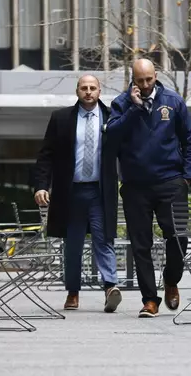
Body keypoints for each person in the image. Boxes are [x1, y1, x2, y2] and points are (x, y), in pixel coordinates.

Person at [105, 58, 191, 318]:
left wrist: (186, 177)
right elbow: (112, 136)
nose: (145, 85)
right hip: (136, 185)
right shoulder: (122, 104)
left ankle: (171, 280)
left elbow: (189, 139)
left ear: (155, 75)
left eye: (149, 79)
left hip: (171, 181)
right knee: (140, 244)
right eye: (140, 81)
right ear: (132, 80)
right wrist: (133, 109)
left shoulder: (173, 101)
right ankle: (149, 300)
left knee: (178, 237)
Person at [33, 75, 122, 313]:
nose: (89, 92)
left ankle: (110, 287)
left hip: (99, 192)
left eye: (93, 88)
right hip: (71, 192)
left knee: (104, 240)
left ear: (100, 91)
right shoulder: (61, 119)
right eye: (84, 88)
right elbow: (46, 155)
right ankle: (73, 292)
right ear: (77, 91)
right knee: (72, 244)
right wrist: (42, 185)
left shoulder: (113, 117)